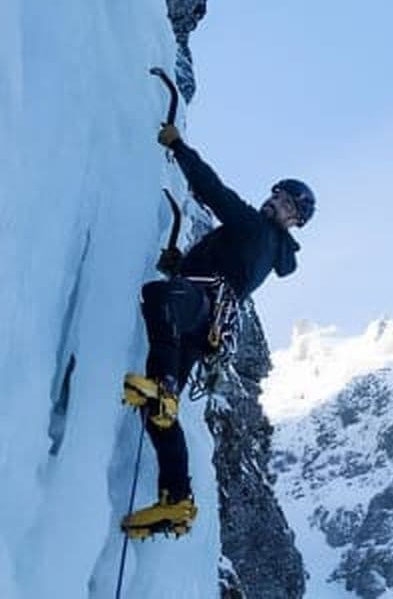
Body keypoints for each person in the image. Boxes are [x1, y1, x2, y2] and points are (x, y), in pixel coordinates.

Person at [120, 123, 315, 537]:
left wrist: (178, 147)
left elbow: (213, 191)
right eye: (275, 195)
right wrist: (181, 266)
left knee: (157, 297)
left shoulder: (256, 229)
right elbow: (221, 266)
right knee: (156, 412)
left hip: (202, 306)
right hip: (207, 321)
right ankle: (177, 499)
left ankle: (166, 386)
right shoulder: (267, 248)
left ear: (293, 220)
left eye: (284, 203)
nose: (273, 202)